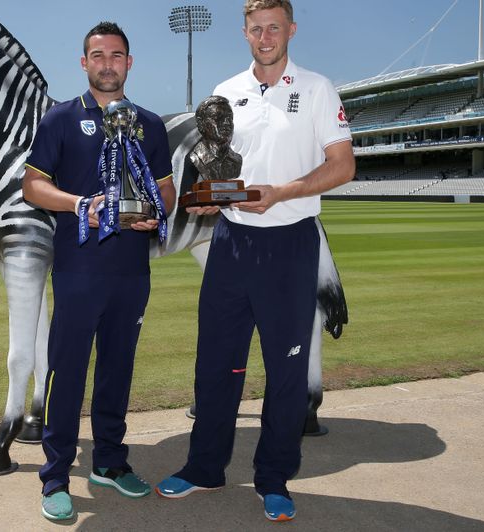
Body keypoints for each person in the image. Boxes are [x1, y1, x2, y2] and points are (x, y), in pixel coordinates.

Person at [155, 0, 355, 523]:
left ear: (289, 29)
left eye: (273, 27)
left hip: (290, 243)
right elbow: (220, 181)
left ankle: (273, 479)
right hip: (231, 243)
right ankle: (205, 468)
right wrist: (201, 197)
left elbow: (343, 165)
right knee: (215, 364)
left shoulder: (316, 88)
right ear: (244, 33)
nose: (265, 37)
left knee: (286, 372)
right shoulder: (226, 93)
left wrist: (283, 192)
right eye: (255, 29)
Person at [22, 21, 176, 522]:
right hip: (79, 268)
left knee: (118, 370)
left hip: (132, 272)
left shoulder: (150, 125)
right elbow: (33, 188)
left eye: (116, 55)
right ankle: (55, 476)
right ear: (83, 62)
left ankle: (109, 462)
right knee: (67, 373)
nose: (107, 63)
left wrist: (157, 208)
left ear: (129, 63)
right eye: (97, 55)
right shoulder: (61, 119)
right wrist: (80, 204)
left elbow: (166, 191)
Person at [190, 95, 243, 182]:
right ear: (201, 124)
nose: (226, 123)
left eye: (230, 118)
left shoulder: (236, 161)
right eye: (218, 117)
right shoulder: (195, 158)